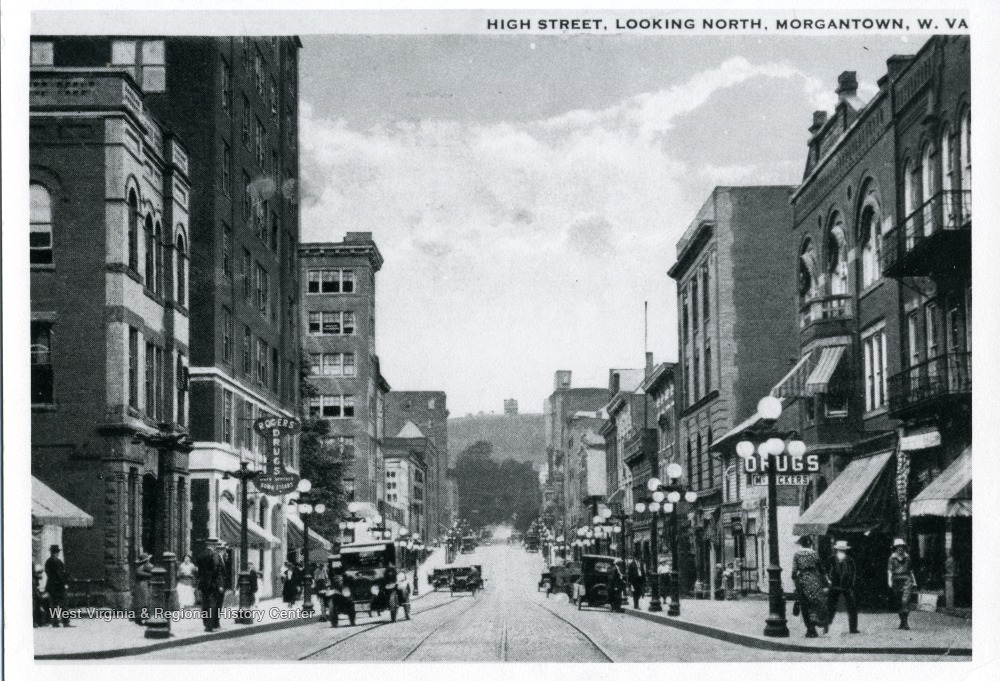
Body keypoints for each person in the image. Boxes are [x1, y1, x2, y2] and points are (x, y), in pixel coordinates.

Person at [790, 536, 830, 638]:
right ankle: (813, 624)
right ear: (810, 543)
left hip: (802, 580)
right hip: (814, 580)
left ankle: (809, 629)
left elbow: (794, 572)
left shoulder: (797, 554)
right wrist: (827, 580)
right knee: (815, 604)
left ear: (801, 544)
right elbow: (821, 569)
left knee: (804, 605)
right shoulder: (814, 554)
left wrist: (795, 583)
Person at [826, 540, 859, 634]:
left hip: (847, 587)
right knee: (830, 607)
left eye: (843, 549)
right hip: (834, 586)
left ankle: (853, 628)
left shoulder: (849, 560)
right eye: (839, 549)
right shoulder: (831, 559)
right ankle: (826, 626)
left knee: (852, 606)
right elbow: (826, 571)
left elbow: (853, 573)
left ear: (845, 550)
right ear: (837, 549)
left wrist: (851, 584)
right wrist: (829, 582)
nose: (841, 551)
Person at [196, 537, 227, 632]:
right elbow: (216, 570)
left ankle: (206, 624)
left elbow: (199, 571)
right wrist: (220, 585)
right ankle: (211, 625)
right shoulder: (215, 555)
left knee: (204, 604)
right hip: (213, 584)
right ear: (213, 545)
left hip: (203, 583)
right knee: (212, 604)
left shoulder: (201, 555)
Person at [888, 537, 917, 630]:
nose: (900, 548)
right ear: (895, 548)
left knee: (905, 601)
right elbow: (890, 571)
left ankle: (906, 622)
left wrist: (914, 581)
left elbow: (911, 570)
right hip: (896, 580)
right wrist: (889, 580)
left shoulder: (907, 557)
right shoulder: (892, 558)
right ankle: (902, 621)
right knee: (898, 603)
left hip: (906, 580)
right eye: (898, 547)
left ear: (904, 547)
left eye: (901, 547)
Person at [44, 545, 71, 627]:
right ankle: (65, 622)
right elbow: (60, 574)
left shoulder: (48, 561)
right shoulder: (57, 561)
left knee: (54, 605)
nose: (58, 553)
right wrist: (65, 582)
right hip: (59, 586)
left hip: (52, 586)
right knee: (63, 605)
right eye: (57, 552)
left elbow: (48, 572)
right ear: (55, 552)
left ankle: (55, 622)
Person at [132, 552, 154, 624]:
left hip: (142, 584)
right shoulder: (142, 566)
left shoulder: (142, 566)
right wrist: (149, 575)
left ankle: (142, 617)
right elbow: (139, 573)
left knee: (144, 602)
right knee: (143, 602)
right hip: (142, 585)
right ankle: (140, 618)